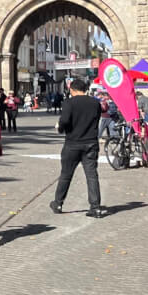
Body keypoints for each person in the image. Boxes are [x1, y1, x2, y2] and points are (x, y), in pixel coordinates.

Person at [49, 78, 108, 219]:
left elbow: (64, 120)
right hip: (91, 143)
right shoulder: (95, 103)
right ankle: (95, 207)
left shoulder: (69, 103)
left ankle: (58, 203)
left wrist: (60, 128)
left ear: (72, 89)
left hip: (73, 143)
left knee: (66, 174)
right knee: (92, 175)